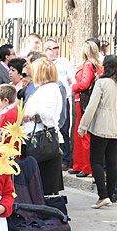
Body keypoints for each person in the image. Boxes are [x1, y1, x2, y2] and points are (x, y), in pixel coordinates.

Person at [78, 55, 117, 209]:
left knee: (96, 161)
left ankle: (103, 195)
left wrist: (83, 126)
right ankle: (109, 195)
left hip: (101, 127)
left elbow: (91, 106)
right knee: (113, 163)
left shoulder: (101, 83)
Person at [22, 57, 64, 195]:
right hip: (37, 138)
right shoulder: (44, 88)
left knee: (44, 185)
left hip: (43, 141)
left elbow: (47, 114)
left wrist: (29, 115)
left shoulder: (50, 89)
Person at [70, 40, 102, 177]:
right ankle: (79, 165)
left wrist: (73, 85)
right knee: (81, 134)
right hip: (87, 100)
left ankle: (85, 166)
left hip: (82, 101)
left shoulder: (88, 65)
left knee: (83, 134)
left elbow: (84, 84)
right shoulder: (97, 65)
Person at [44, 38, 74, 171]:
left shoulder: (64, 62)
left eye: (57, 48)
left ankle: (65, 159)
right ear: (47, 50)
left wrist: (69, 94)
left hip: (63, 99)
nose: (57, 51)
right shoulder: (43, 63)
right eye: (54, 48)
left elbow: (71, 80)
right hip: (48, 99)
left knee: (64, 128)